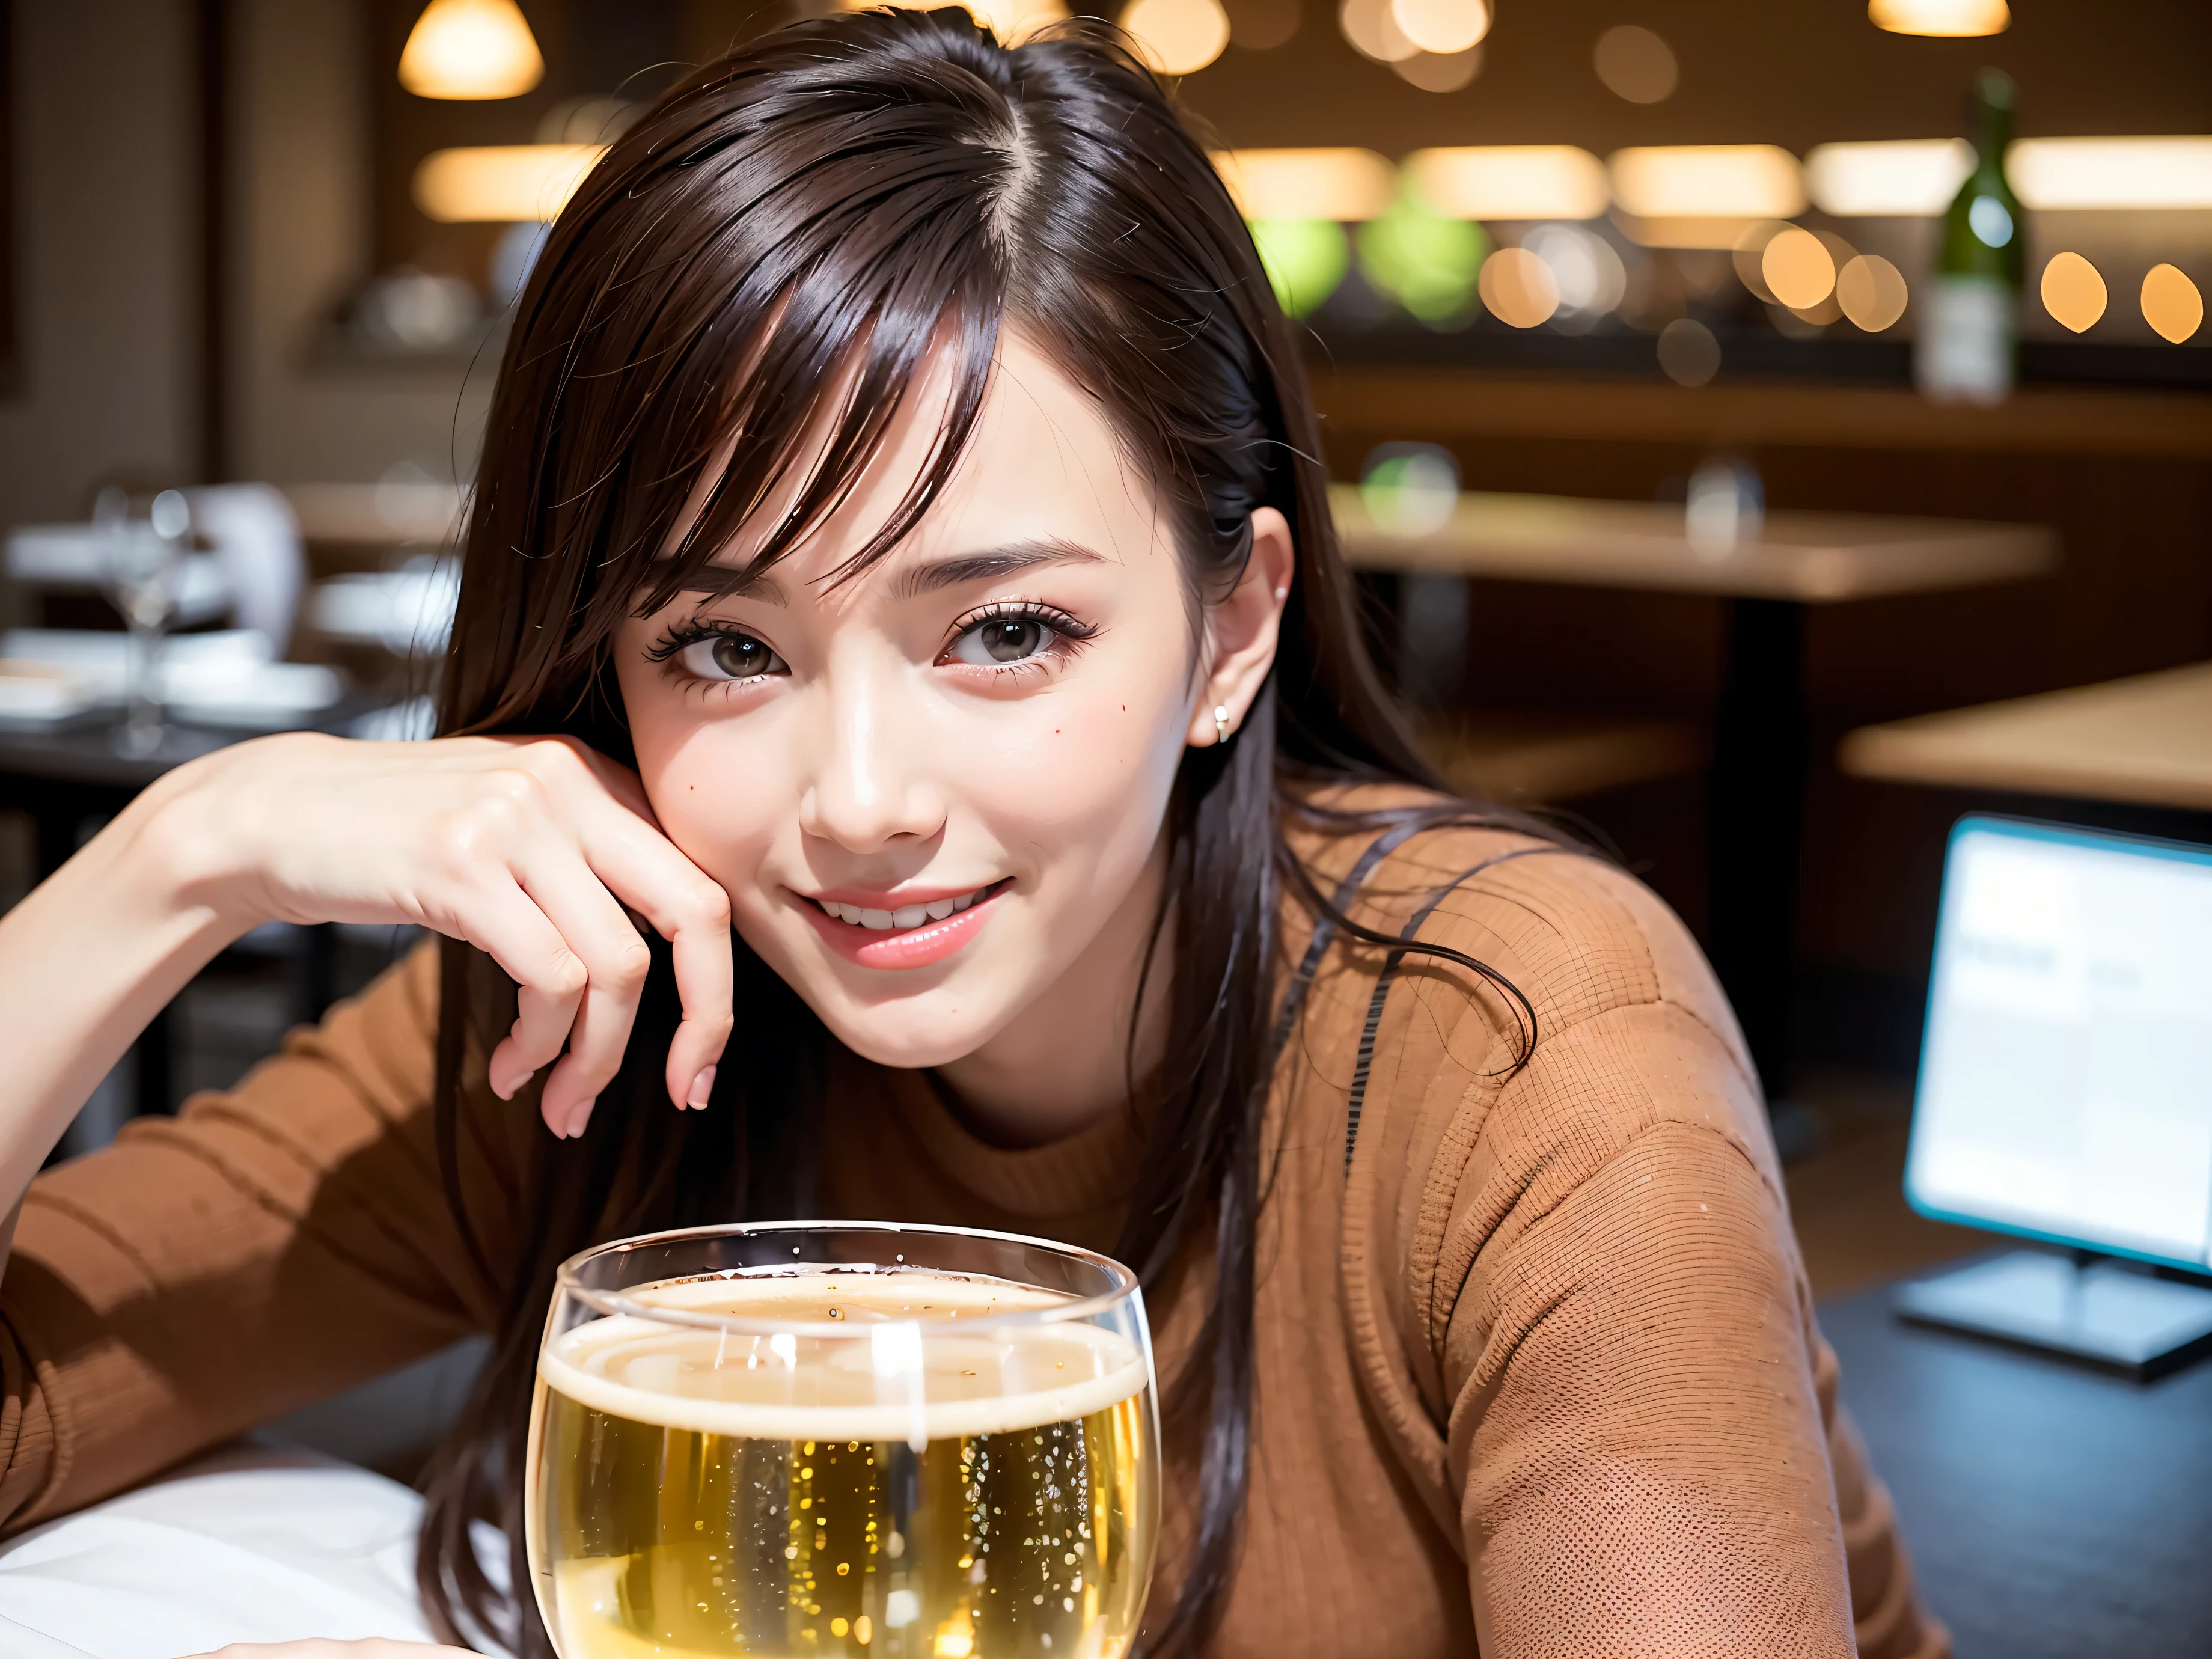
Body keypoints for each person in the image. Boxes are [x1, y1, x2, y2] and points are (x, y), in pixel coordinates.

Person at [0, 13, 1944, 1659]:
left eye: (1007, 632)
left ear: (1233, 629)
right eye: (729, 646)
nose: (861, 804)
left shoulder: (1523, 1045)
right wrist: (185, 852)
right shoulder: (612, 1032)